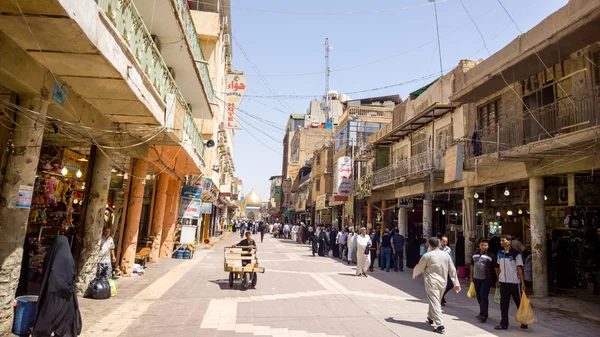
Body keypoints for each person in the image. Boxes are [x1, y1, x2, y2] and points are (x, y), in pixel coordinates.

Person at [30, 236, 82, 337]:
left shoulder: (51, 254)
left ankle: (43, 331)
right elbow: (71, 274)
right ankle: (64, 331)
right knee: (65, 315)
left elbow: (48, 271)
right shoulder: (68, 257)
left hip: (51, 291)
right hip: (65, 293)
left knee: (48, 314)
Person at [413, 237, 461, 334]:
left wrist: (415, 274)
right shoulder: (446, 255)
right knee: (436, 300)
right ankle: (430, 317)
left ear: (429, 245)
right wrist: (456, 283)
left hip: (431, 281)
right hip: (443, 281)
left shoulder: (427, 256)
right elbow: (452, 269)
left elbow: (419, 266)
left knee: (435, 301)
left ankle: (439, 324)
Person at [495, 235, 528, 330]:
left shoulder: (516, 254)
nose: (501, 243)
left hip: (514, 282)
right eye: (501, 241)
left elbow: (519, 268)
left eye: (503, 241)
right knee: (503, 304)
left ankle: (524, 321)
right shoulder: (500, 253)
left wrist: (522, 282)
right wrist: (498, 279)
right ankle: (503, 323)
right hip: (503, 281)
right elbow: (499, 266)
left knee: (519, 303)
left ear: (509, 241)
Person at [470, 239, 497, 323]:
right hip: (476, 278)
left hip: (486, 279)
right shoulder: (474, 254)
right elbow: (472, 265)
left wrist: (498, 279)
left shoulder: (491, 256)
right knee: (479, 296)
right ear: (479, 245)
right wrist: (471, 276)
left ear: (488, 246)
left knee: (484, 296)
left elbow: (496, 268)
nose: (483, 246)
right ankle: (484, 312)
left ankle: (483, 315)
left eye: (485, 245)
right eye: (482, 245)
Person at [440, 236, 454, 306]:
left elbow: (451, 259)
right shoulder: (436, 249)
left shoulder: (448, 249)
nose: (445, 243)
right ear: (440, 241)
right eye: (443, 242)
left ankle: (441, 296)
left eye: (446, 242)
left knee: (451, 284)